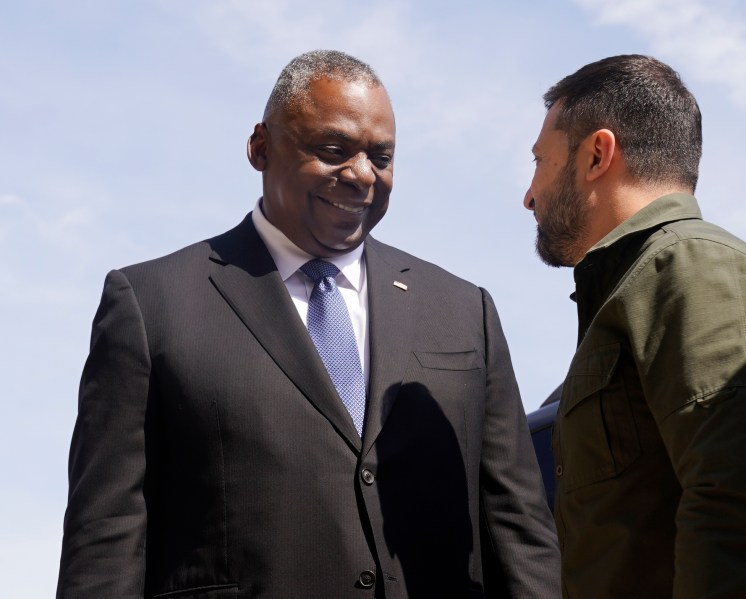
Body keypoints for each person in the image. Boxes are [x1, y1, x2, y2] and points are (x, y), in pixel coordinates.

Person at [57, 50, 560, 599]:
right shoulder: (152, 305)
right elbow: (104, 539)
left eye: (382, 157)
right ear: (260, 147)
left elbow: (520, 531)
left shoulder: (465, 312)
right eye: (333, 150)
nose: (362, 175)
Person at [523, 54, 746, 598]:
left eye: (541, 161)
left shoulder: (692, 267)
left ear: (598, 154)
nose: (530, 194)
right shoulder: (641, 284)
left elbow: (732, 503)